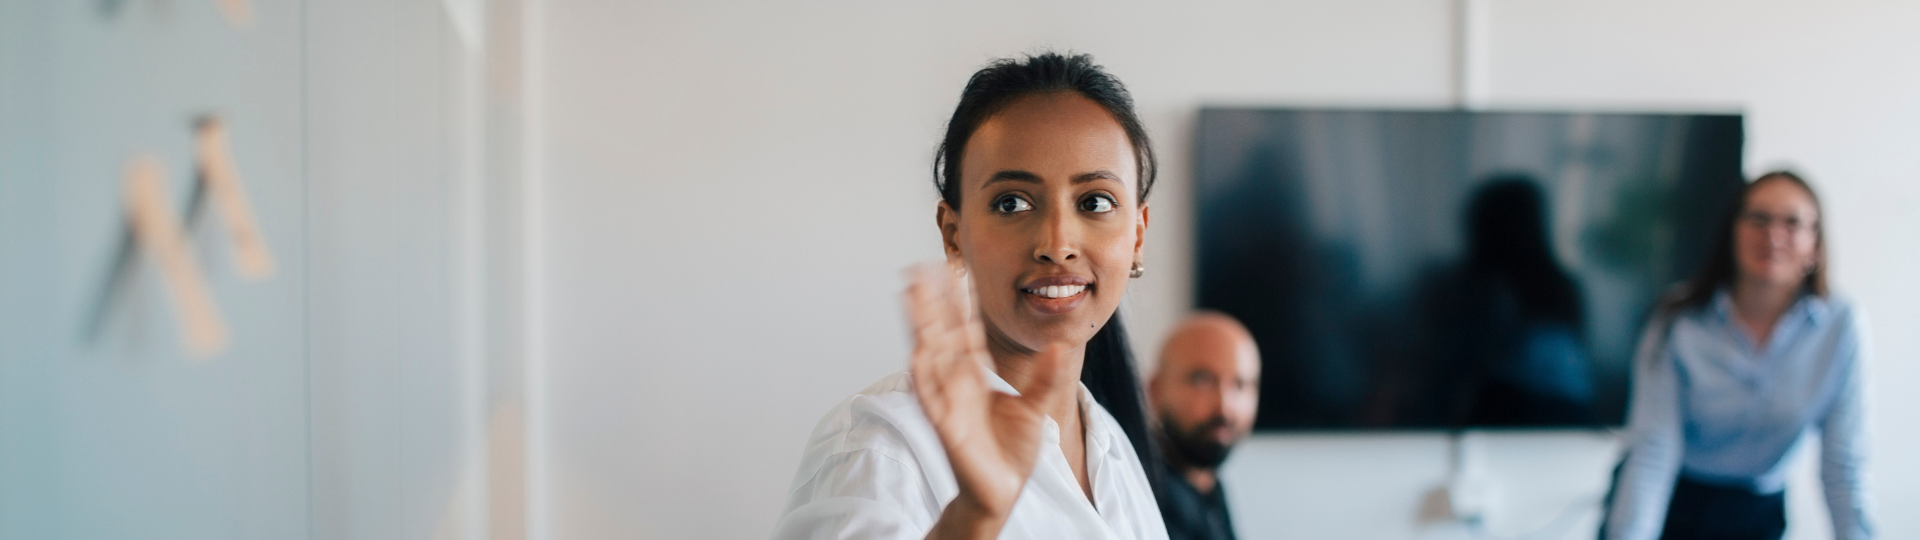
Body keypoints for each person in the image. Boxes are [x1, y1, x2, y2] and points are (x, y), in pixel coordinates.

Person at [773, 52, 1168, 540]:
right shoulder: (881, 448)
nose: (1057, 244)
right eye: (1012, 203)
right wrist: (972, 519)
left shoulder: (1110, 442)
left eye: (1095, 202)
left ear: (1137, 235)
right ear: (953, 234)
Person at [1604, 171, 1871, 540]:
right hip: (1673, 502)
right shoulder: (1677, 320)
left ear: (1815, 244)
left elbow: (1844, 465)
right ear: (1734, 230)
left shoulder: (1840, 327)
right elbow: (1654, 450)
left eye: (1792, 222)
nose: (1773, 235)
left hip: (1756, 512)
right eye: (1758, 219)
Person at [1147, 313, 1260, 540]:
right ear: (1155, 390)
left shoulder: (1209, 488)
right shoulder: (1137, 494)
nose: (1225, 408)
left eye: (1240, 385)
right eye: (1203, 380)